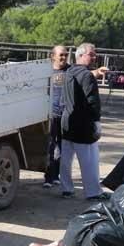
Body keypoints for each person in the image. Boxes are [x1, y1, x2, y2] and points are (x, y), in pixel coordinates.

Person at [61, 43, 110, 200]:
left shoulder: (68, 72)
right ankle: (93, 192)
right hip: (83, 125)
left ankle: (67, 188)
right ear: (81, 55)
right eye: (91, 54)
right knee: (89, 160)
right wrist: (96, 121)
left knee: (66, 160)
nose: (94, 57)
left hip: (67, 122)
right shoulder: (87, 76)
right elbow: (92, 102)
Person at [43, 45, 69, 188]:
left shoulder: (70, 70)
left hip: (65, 115)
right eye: (61, 55)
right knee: (50, 145)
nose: (64, 57)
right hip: (51, 114)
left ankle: (55, 175)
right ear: (53, 56)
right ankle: (47, 177)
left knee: (62, 146)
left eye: (65, 55)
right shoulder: (46, 71)